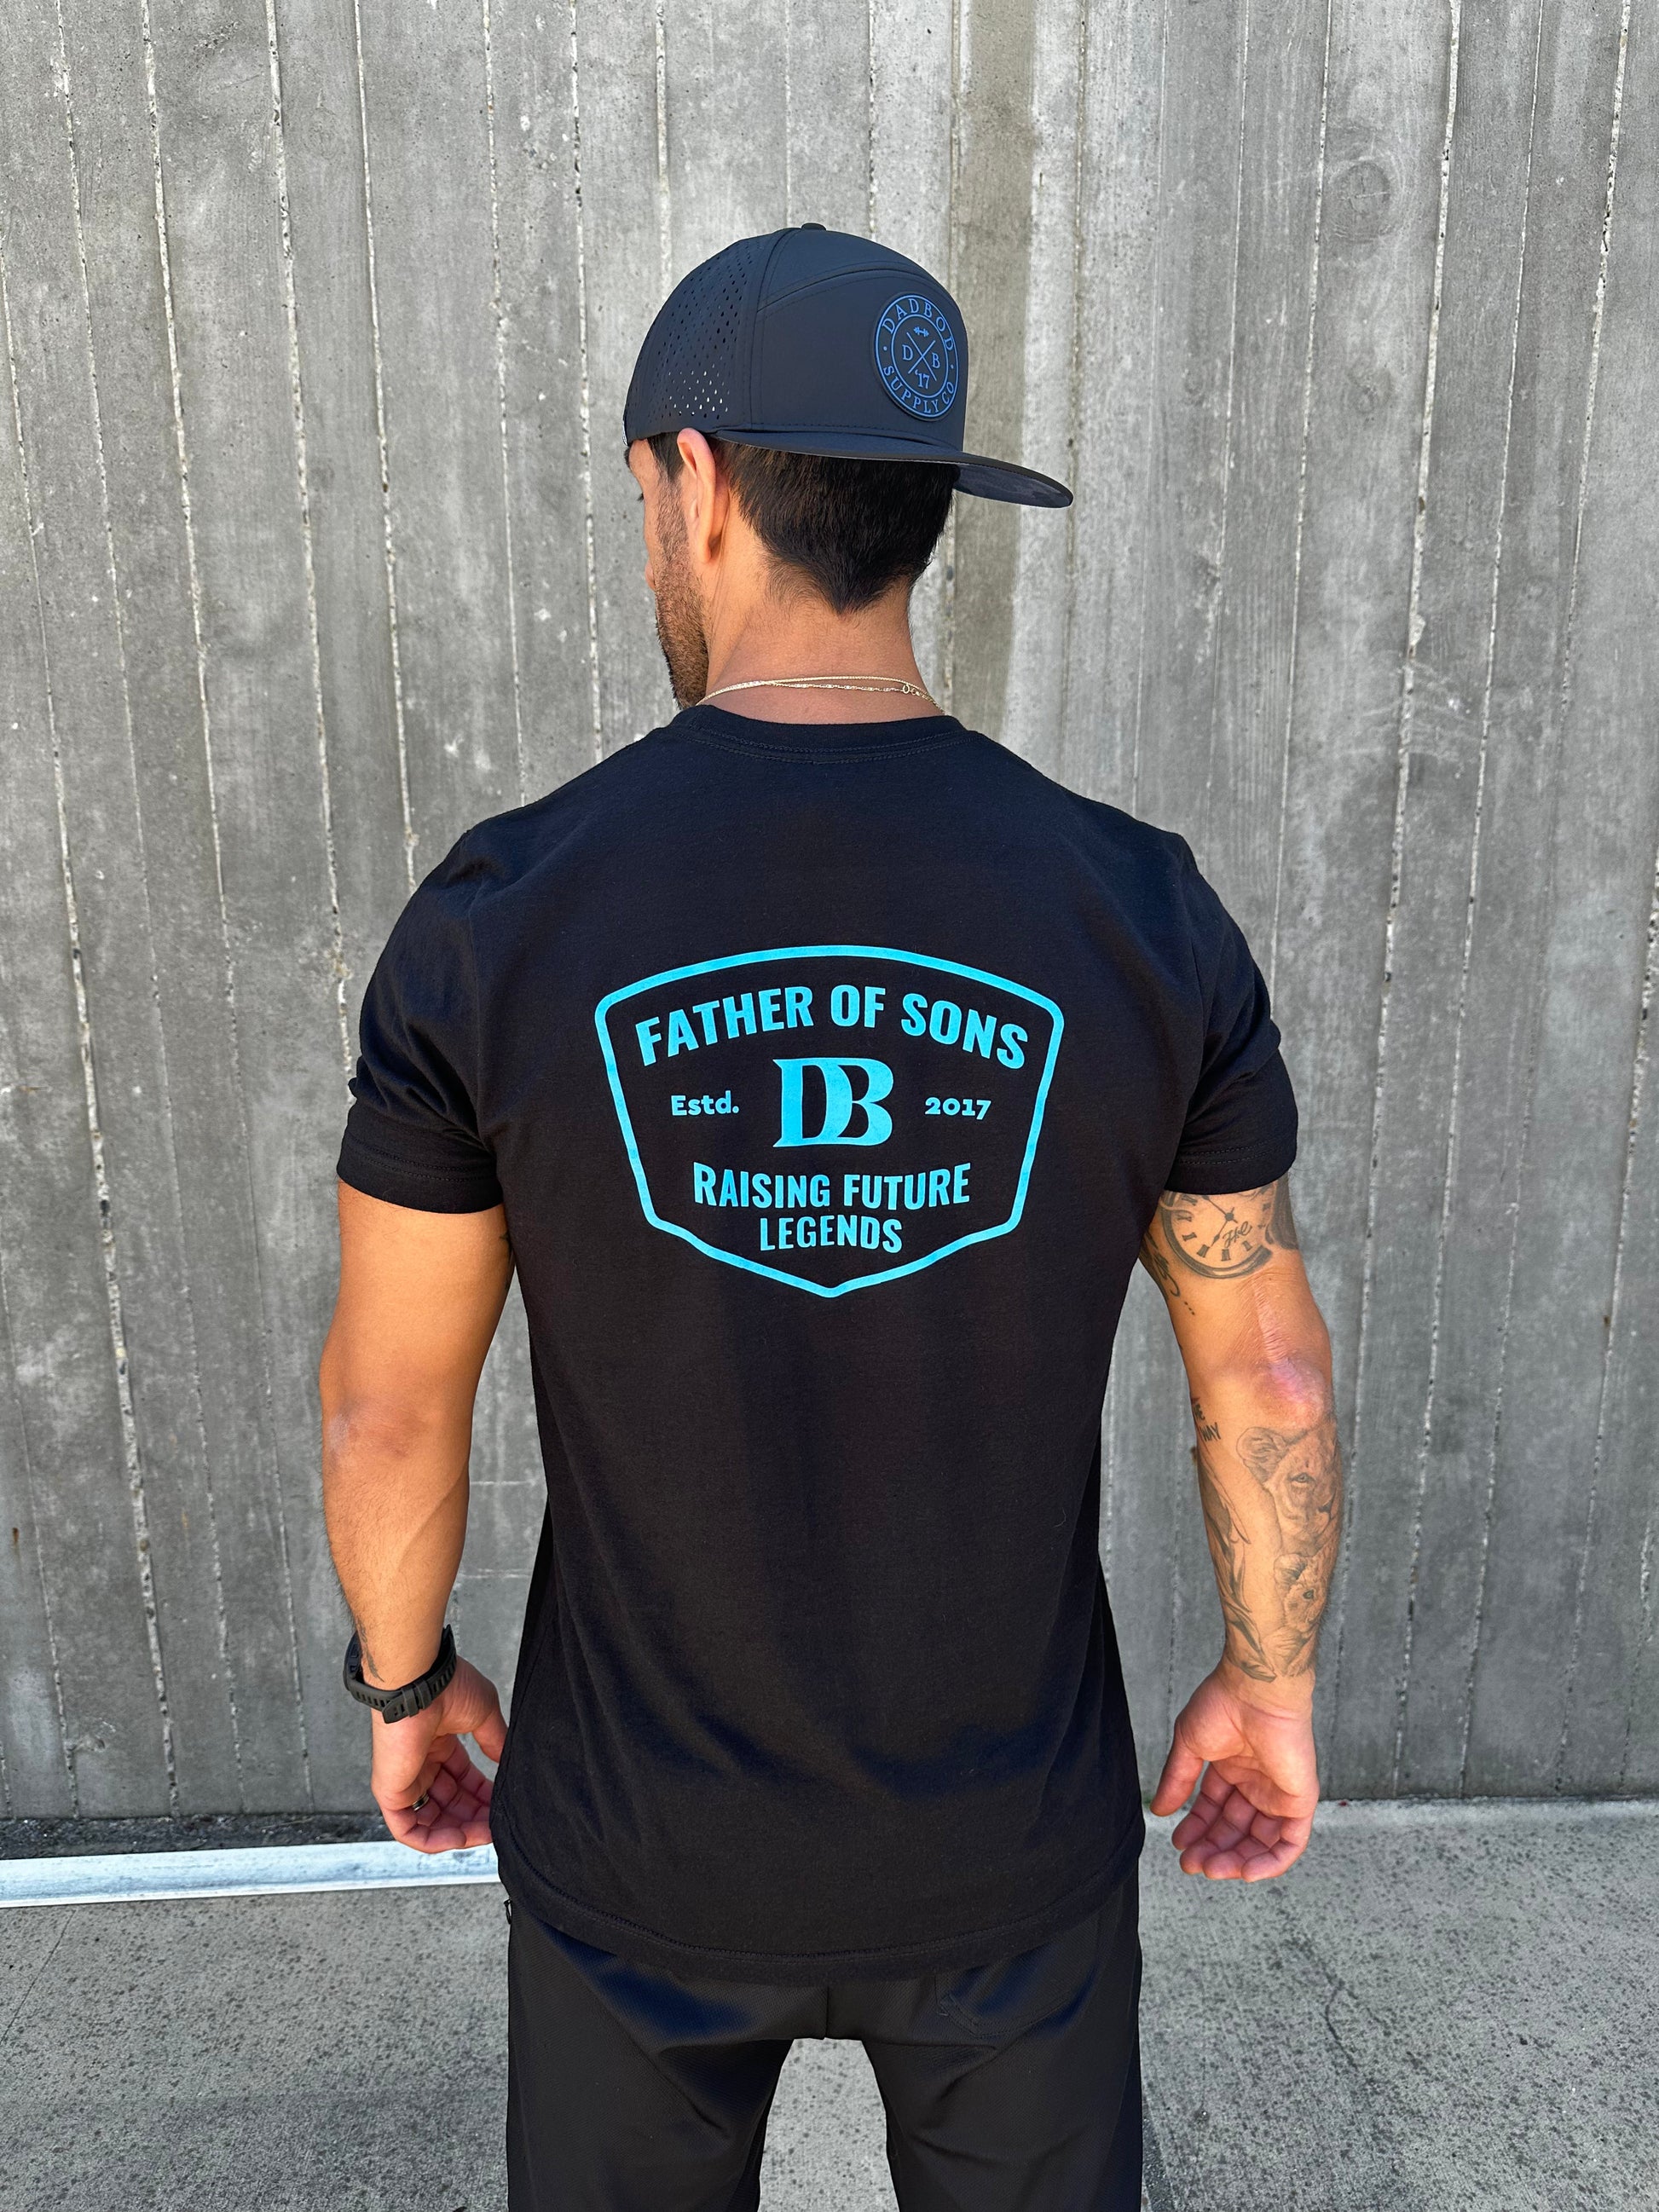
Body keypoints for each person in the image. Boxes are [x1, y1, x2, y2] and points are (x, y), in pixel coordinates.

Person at [320, 226, 1342, 2212]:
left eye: (644, 495)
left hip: (640, 1848)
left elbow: (387, 1409)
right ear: (921, 514)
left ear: (699, 483)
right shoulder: (1139, 910)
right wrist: (1268, 1681)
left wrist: (406, 1681)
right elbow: (1270, 1372)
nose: (648, 540)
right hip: (1009, 1852)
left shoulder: (499, 917)